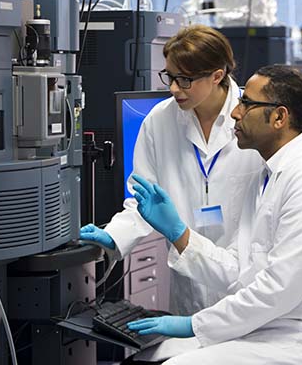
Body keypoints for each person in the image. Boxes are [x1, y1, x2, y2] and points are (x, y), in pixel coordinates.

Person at [127, 65, 302, 365]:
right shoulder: (268, 177)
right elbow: (241, 268)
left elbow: (279, 289)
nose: (236, 113)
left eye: (247, 104)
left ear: (279, 117)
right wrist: (180, 235)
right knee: (147, 356)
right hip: (269, 327)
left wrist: (194, 324)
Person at [79, 25, 263, 317]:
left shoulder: (253, 121)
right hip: (188, 286)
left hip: (245, 287)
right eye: (170, 76)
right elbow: (144, 201)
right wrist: (114, 236)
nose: (174, 88)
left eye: (185, 80)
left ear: (217, 76)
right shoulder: (159, 121)